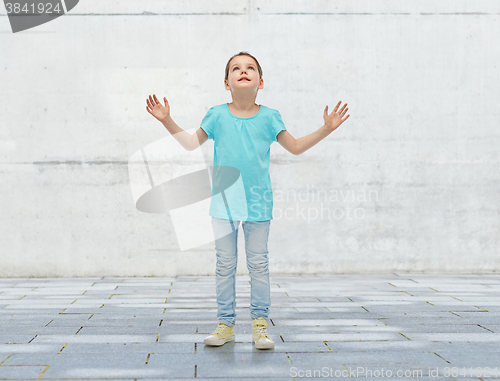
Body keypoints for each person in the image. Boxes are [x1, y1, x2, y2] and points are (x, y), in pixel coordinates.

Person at [146, 51, 350, 350]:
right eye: (236, 68)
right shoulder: (216, 114)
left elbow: (294, 147)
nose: (244, 71)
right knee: (224, 266)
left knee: (258, 266)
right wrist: (168, 121)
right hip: (224, 204)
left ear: (261, 82)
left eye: (250, 68)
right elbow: (191, 144)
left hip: (257, 204)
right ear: (227, 82)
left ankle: (260, 325)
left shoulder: (270, 117)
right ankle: (225, 325)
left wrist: (326, 129)